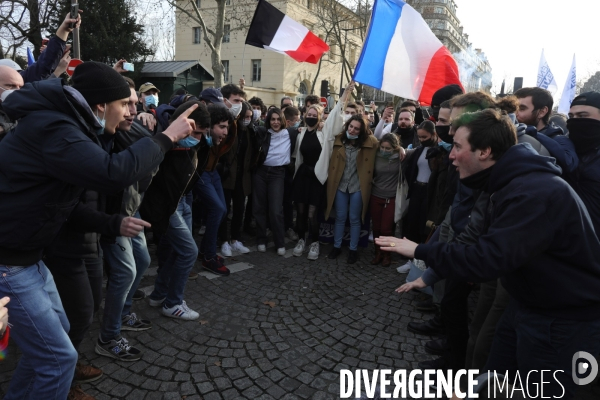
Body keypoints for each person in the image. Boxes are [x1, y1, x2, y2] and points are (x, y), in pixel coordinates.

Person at [0, 61, 194, 400]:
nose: (128, 113)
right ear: (102, 105)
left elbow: (57, 202)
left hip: (29, 258)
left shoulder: (66, 124)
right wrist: (166, 137)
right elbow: (112, 172)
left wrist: (113, 223)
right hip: (9, 263)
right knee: (59, 359)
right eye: (124, 105)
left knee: (55, 345)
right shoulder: (57, 128)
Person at [378, 108, 600, 399]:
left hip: (563, 323)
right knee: (490, 386)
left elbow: (486, 259)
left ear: (484, 151)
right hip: (528, 307)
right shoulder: (507, 182)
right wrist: (432, 273)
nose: (451, 155)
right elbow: (477, 241)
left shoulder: (532, 191)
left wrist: (420, 250)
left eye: (458, 146)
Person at [141, 101, 225, 321]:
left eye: (202, 134)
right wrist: (148, 113)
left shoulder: (198, 142)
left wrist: (210, 136)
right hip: (166, 206)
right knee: (188, 252)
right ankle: (173, 303)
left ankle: (159, 294)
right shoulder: (163, 140)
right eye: (195, 133)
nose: (197, 138)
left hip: (182, 200)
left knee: (179, 251)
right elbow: (162, 114)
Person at [196, 84, 240, 275]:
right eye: (221, 127)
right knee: (218, 208)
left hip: (212, 172)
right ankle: (209, 257)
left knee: (222, 210)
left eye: (226, 127)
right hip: (202, 173)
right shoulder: (199, 132)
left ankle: (205, 250)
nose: (225, 132)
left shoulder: (220, 134)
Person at [325, 109, 379, 264]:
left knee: (355, 219)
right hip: (340, 185)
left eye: (356, 128)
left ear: (361, 131)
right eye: (351, 126)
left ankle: (353, 250)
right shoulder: (338, 140)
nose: (352, 130)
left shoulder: (371, 143)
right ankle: (336, 246)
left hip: (357, 186)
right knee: (340, 217)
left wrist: (401, 149)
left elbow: (385, 146)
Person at [252, 107, 298, 255]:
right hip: (261, 172)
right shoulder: (262, 132)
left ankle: (279, 242)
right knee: (259, 207)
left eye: (278, 119)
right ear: (268, 120)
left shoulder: (290, 133)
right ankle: (261, 239)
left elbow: (309, 129)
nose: (276, 122)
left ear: (284, 120)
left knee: (276, 209)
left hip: (278, 174)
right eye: (273, 119)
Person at [218, 101, 254, 256]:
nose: (247, 119)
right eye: (245, 116)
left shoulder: (250, 131)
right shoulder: (231, 130)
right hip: (227, 175)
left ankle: (235, 239)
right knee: (224, 210)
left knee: (240, 209)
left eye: (250, 117)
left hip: (242, 176)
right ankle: (224, 241)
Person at [291, 104, 327, 259]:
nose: (311, 117)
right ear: (304, 115)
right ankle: (301, 239)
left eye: (314, 115)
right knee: (300, 211)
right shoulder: (301, 132)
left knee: (312, 213)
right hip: (302, 175)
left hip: (317, 177)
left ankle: (315, 242)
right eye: (309, 114)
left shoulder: (323, 133)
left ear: (319, 117)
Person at [402, 120, 445, 243]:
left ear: (434, 134)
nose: (421, 139)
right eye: (419, 137)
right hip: (416, 189)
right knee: (412, 220)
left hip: (430, 191)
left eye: (424, 137)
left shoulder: (440, 151)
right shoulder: (419, 150)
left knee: (424, 222)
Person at [370, 133, 402, 267]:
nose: (384, 151)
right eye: (382, 147)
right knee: (376, 228)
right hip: (376, 194)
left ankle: (387, 253)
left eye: (388, 149)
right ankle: (378, 252)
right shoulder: (375, 155)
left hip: (392, 196)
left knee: (387, 229)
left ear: (394, 148)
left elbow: (416, 151)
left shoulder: (400, 157)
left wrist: (403, 149)